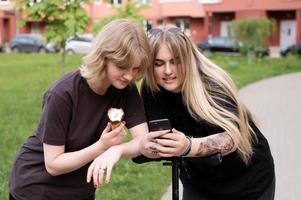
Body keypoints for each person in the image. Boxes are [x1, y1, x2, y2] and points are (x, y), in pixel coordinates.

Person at [8, 19, 150, 200]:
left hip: (80, 191)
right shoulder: (63, 93)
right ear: (103, 57)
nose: (130, 75)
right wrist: (101, 146)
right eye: (122, 67)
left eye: (136, 68)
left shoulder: (126, 90)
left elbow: (143, 141)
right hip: (37, 188)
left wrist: (117, 150)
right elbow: (53, 164)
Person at [139, 25, 275, 200]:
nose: (168, 71)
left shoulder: (212, 84)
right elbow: (157, 139)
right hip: (199, 182)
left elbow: (232, 138)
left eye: (176, 61)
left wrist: (188, 146)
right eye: (159, 63)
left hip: (249, 181)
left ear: (189, 59)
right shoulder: (151, 91)